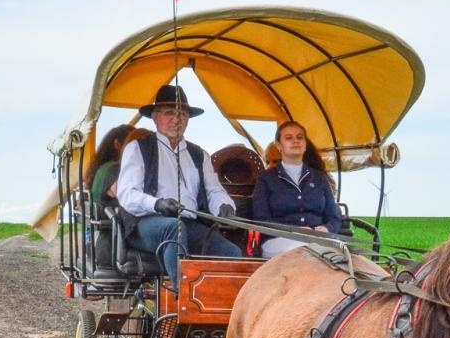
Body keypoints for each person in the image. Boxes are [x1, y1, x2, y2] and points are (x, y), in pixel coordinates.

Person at [116, 84, 240, 286]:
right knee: (174, 228)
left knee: (232, 252)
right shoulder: (138, 148)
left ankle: (224, 310)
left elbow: (214, 191)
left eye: (182, 114)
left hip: (189, 224)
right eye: (169, 113)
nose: (176, 119)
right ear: (155, 117)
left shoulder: (199, 154)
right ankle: (181, 299)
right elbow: (127, 194)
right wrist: (157, 204)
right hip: (146, 224)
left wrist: (225, 206)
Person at [253, 120, 343, 257]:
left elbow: (334, 217)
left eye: (300, 137)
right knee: (306, 250)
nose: (295, 141)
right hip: (277, 240)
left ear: (305, 144)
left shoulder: (319, 178)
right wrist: (294, 230)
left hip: (319, 240)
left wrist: (326, 228)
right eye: (288, 138)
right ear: (279, 146)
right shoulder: (266, 178)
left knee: (347, 256)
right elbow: (262, 219)